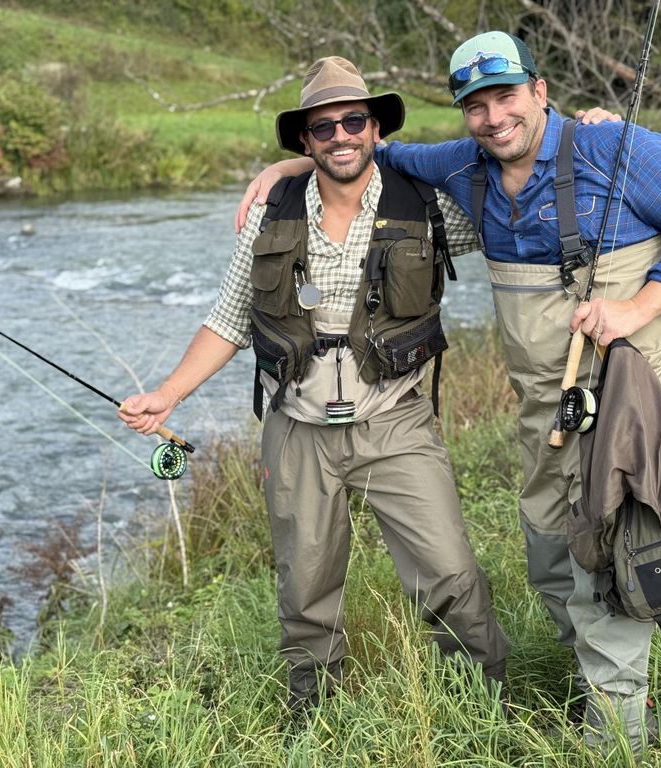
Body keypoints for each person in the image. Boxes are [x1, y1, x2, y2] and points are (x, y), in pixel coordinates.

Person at [237, 31, 661, 755]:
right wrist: (296, 160)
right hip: (549, 405)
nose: (493, 117)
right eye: (475, 105)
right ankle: (591, 680)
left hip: (634, 393)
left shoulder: (619, 149)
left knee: (607, 548)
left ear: (540, 92)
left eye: (506, 96)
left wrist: (637, 307)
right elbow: (366, 155)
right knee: (549, 551)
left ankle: (618, 735)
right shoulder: (465, 166)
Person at [118, 55, 511, 714]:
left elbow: (509, 182)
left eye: (353, 120)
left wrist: (588, 133)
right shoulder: (269, 214)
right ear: (305, 139)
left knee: (450, 573)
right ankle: (315, 718)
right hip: (296, 427)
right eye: (322, 128)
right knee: (305, 592)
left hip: (396, 423)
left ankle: (484, 708)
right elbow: (228, 319)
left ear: (376, 128)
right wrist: (168, 394)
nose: (340, 136)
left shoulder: (431, 206)